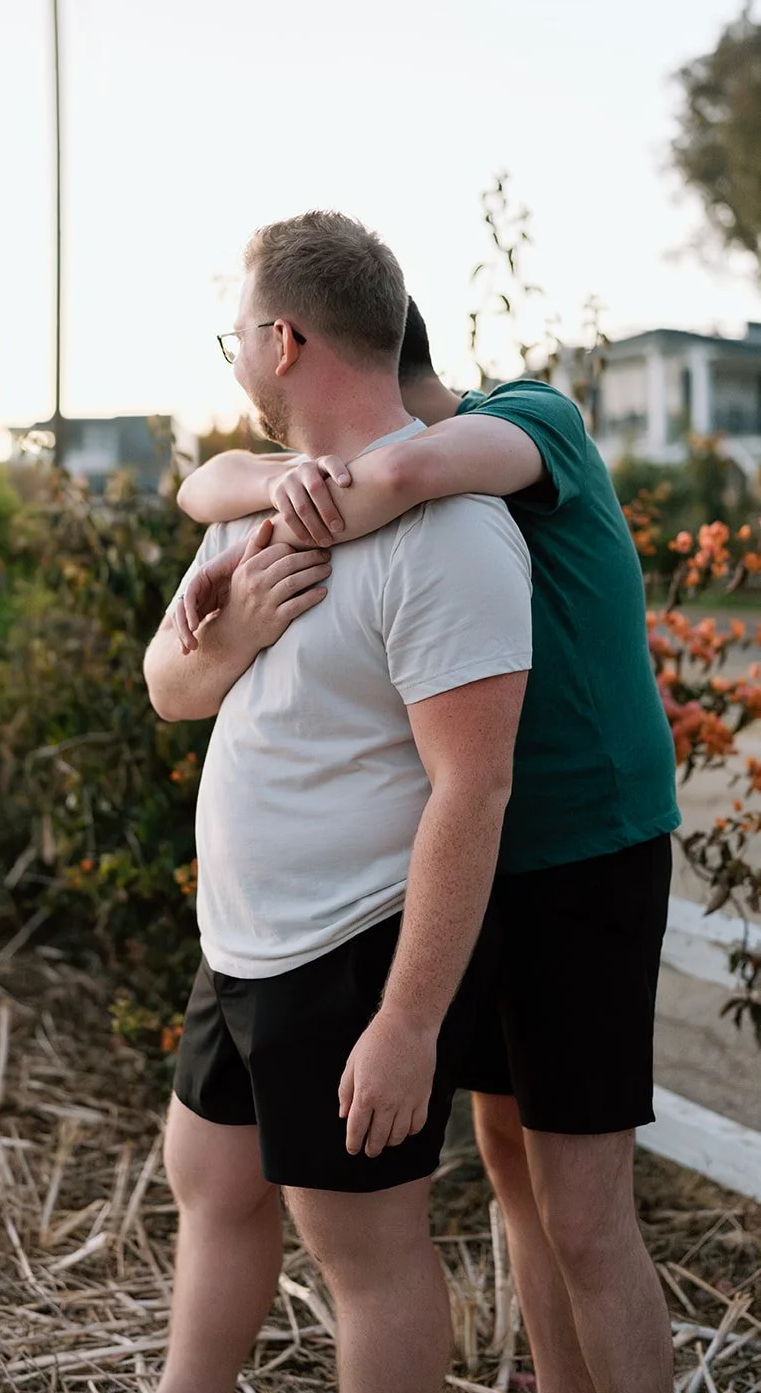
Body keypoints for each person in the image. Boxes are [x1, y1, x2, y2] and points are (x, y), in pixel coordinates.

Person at [174, 295, 680, 1393]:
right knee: (509, 1169)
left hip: (581, 851)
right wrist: (267, 483)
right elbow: (200, 483)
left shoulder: (527, 419)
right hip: (466, 868)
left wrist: (286, 498)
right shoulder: (340, 467)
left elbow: (397, 477)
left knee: (586, 1214)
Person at [144, 211, 532, 1393]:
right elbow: (169, 686)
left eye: (235, 338)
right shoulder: (254, 508)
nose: (234, 361)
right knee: (207, 1184)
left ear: (282, 338)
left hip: (350, 950)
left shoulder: (450, 535)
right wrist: (239, 634)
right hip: (241, 943)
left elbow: (474, 787)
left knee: (361, 1252)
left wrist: (408, 1021)